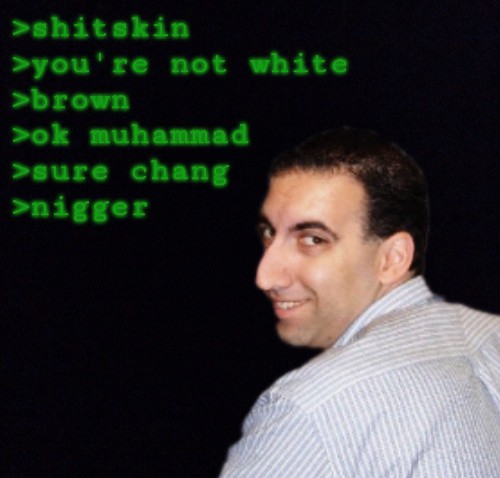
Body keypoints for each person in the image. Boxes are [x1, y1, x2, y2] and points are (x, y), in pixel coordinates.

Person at [219, 127, 500, 477]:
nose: (266, 277)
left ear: (393, 258)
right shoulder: (489, 337)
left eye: (313, 239)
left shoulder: (310, 409)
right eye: (269, 233)